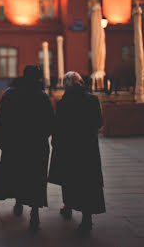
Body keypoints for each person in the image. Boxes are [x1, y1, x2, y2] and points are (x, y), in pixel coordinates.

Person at [0, 65, 54, 232]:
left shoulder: (10, 94)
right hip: (37, 145)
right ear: (38, 78)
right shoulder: (42, 97)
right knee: (36, 177)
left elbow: (1, 120)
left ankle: (19, 202)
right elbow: (50, 123)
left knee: (17, 172)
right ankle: (34, 212)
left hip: (14, 144)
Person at [48, 71, 106, 235]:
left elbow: (57, 126)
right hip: (88, 149)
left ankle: (67, 207)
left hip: (68, 148)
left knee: (68, 179)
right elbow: (99, 123)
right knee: (88, 183)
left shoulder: (63, 103)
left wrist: (56, 142)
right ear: (81, 83)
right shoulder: (92, 100)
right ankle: (87, 219)